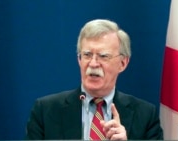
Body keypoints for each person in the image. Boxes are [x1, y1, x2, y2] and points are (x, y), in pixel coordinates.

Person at [25, 19, 163, 140]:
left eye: (103, 56)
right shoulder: (46, 110)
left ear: (123, 63)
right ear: (79, 59)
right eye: (87, 55)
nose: (93, 63)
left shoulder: (145, 115)